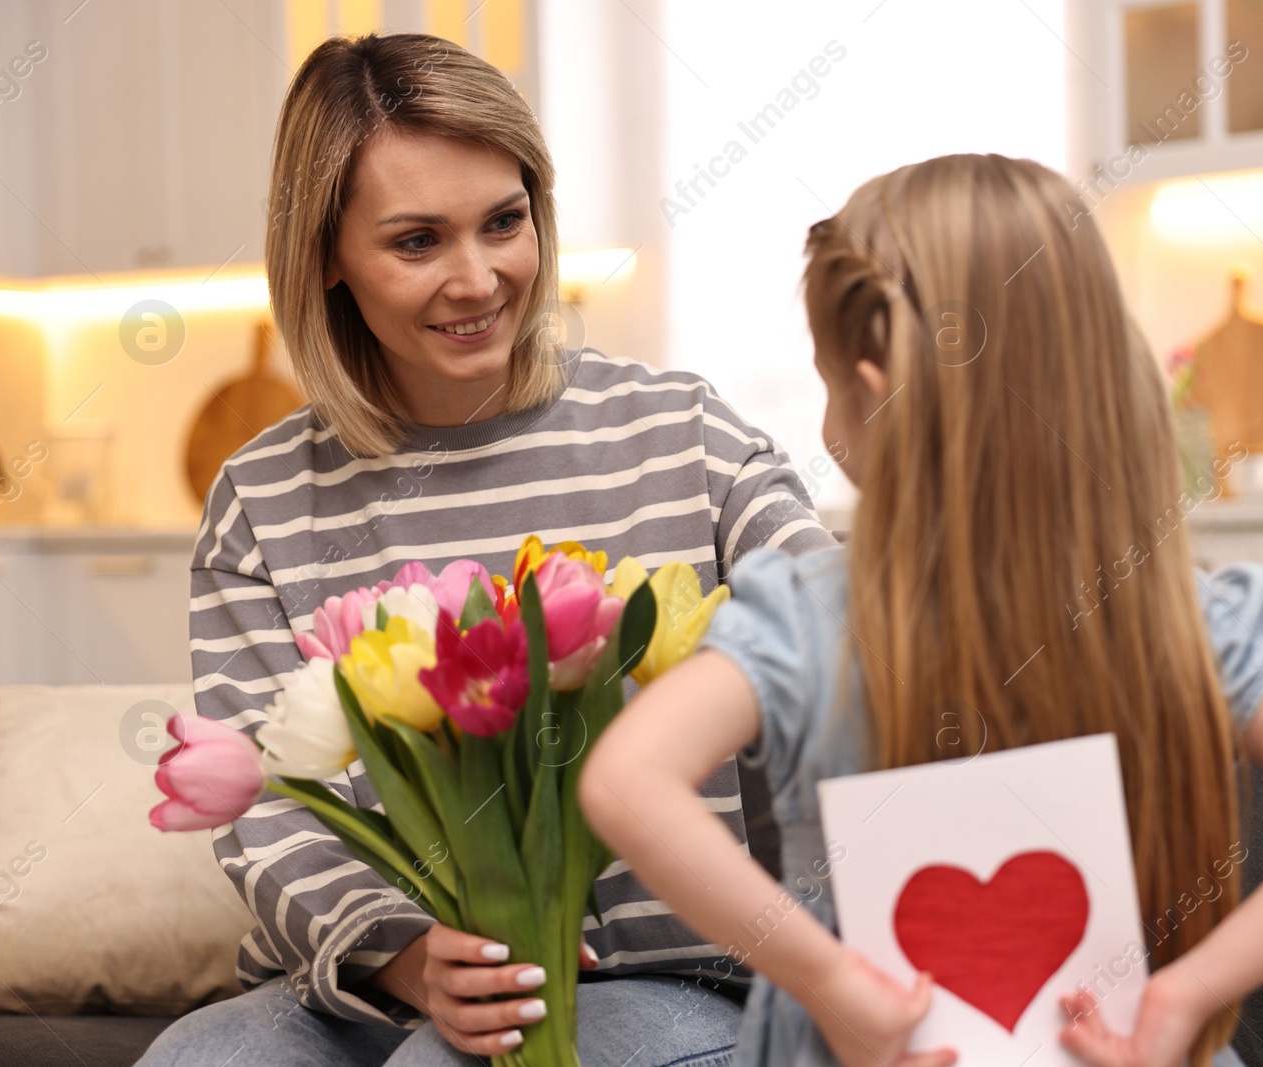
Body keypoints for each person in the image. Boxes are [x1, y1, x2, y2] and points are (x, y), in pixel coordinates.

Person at [578, 154, 1263, 1067]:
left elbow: (622, 781)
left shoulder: (802, 620)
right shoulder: (1182, 618)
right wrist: (1187, 992)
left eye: (828, 380)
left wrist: (831, 984)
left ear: (878, 387)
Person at [137, 33, 833, 1067]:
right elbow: (266, 815)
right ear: (327, 254)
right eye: (417, 242)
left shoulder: (682, 433)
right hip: (375, 987)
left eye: (504, 223)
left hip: (672, 978)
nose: (479, 278)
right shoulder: (262, 497)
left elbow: (846, 633)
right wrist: (414, 958)